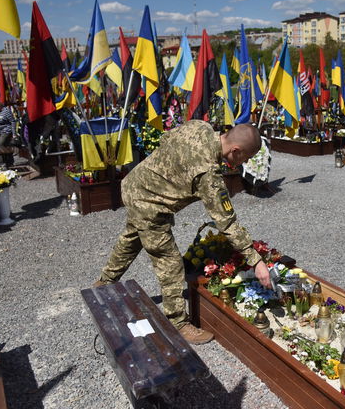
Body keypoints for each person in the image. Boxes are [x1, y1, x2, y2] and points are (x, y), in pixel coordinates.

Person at [94, 121, 269, 344]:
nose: (243, 163)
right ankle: (177, 322)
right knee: (170, 262)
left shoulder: (200, 126)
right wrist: (256, 260)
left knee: (132, 238)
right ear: (235, 150)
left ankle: (104, 282)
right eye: (244, 158)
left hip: (136, 183)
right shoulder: (208, 174)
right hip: (150, 203)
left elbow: (165, 139)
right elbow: (226, 223)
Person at [0, 99, 16, 167]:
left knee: (0, 144)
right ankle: (10, 162)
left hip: (7, 131)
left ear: (0, 105)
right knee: (6, 146)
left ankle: (0, 162)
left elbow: (13, 121)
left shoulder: (6, 111)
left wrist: (14, 133)